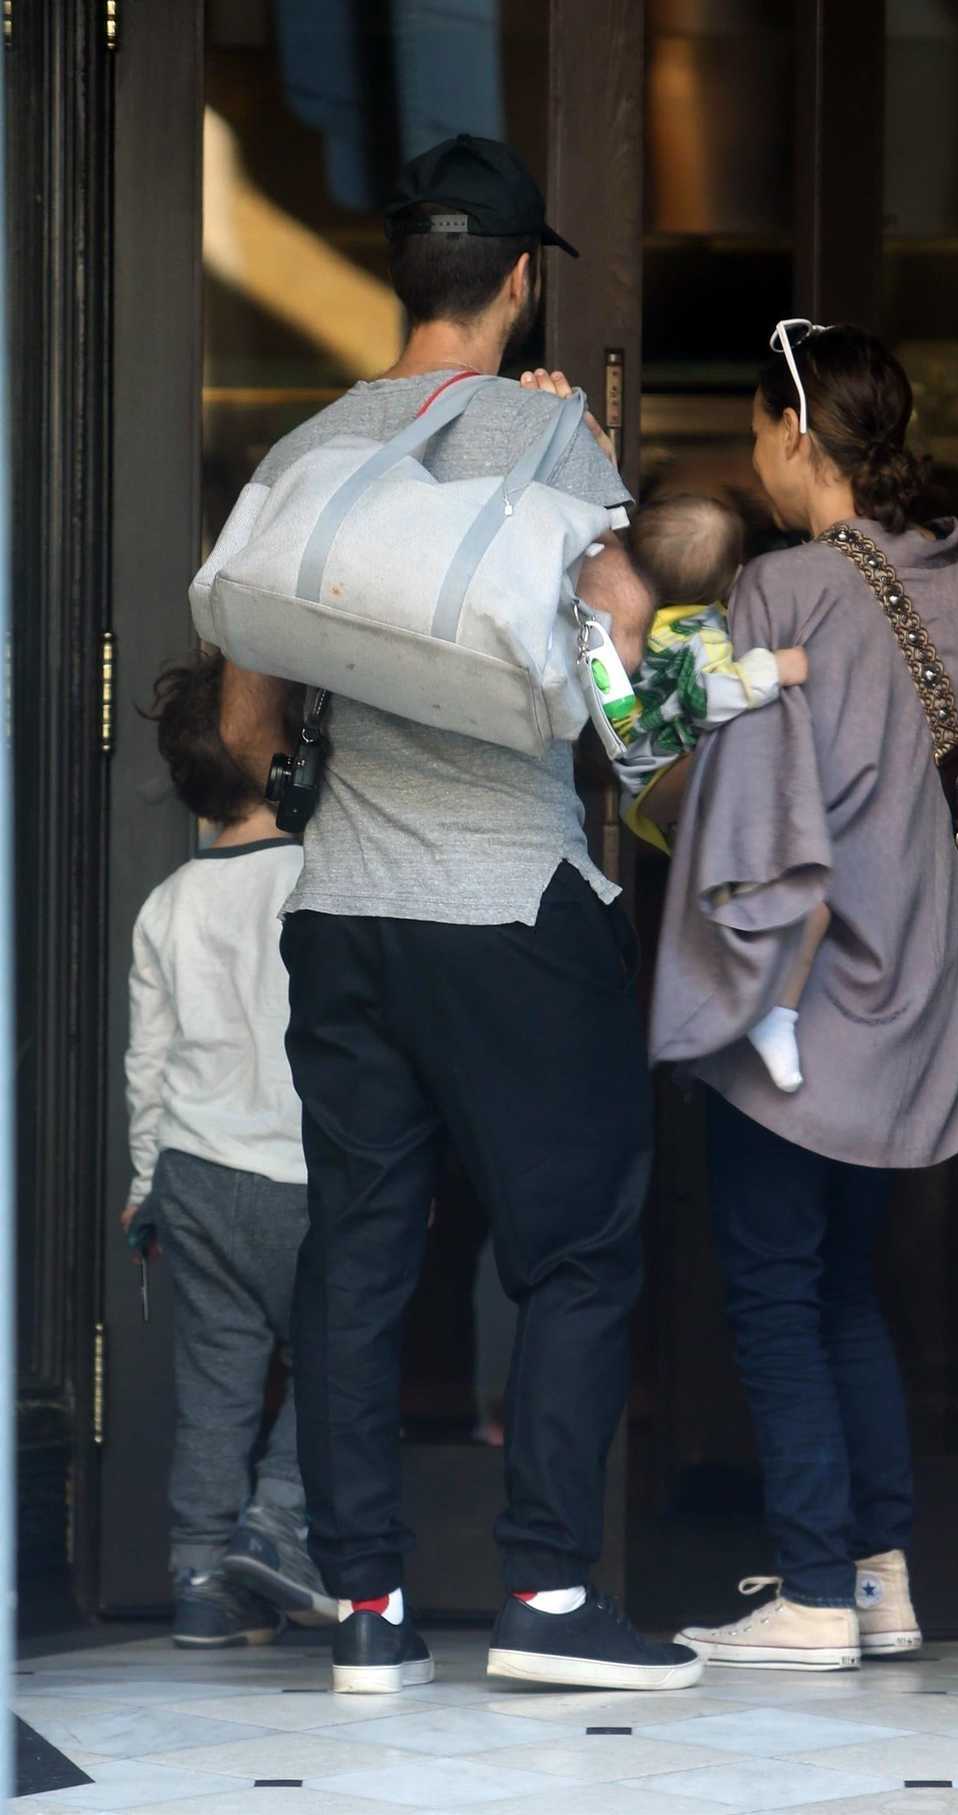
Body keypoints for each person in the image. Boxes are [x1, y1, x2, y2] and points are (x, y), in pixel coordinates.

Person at [217, 134, 703, 1695]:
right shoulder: (545, 438)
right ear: (515, 279)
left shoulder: (311, 446)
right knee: (575, 1245)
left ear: (398, 276)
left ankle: (367, 1609)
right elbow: (631, 648)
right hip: (506, 905)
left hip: (344, 908)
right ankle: (552, 1598)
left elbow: (242, 724)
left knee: (361, 1247)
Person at [652, 320, 958, 1671]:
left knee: (765, 1282)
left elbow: (738, 804)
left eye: (759, 431)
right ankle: (877, 1575)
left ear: (795, 435)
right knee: (840, 1285)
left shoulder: (785, 587)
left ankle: (811, 1587)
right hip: (915, 992)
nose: (754, 458)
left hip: (799, 990)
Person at [122, 654, 336, 1649]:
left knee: (215, 1386)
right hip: (309, 1175)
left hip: (199, 1173)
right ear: (292, 753)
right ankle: (279, 1519)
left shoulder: (167, 905)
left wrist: (144, 1183)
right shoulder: (321, 875)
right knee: (334, 1360)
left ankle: (202, 1577)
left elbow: (148, 1063)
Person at [617, 494, 827, 1091]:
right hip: (672, 785)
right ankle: (768, 1014)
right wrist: (773, 669)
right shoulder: (695, 636)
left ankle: (737, 1016)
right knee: (803, 911)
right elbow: (707, 697)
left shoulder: (642, 626)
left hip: (646, 784)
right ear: (735, 575)